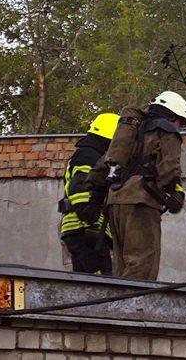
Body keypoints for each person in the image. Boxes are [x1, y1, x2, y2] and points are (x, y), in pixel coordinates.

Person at [103, 91, 186, 280]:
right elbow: (170, 167)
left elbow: (102, 165)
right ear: (173, 115)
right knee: (143, 262)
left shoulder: (132, 129)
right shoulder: (166, 129)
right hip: (141, 202)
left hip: (115, 200)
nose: (179, 127)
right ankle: (136, 308)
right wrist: (172, 192)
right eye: (180, 122)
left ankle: (115, 307)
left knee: (121, 265)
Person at [59, 112, 120, 275]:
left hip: (79, 230)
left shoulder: (88, 153)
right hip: (85, 229)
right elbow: (79, 186)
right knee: (101, 282)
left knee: (85, 282)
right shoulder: (89, 155)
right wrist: (91, 218)